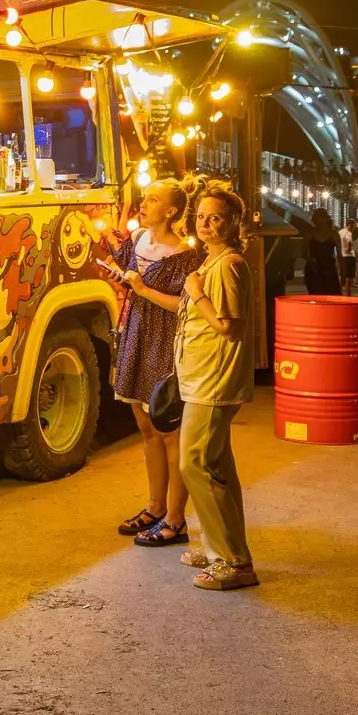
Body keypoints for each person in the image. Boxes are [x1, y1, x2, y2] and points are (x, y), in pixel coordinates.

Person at [107, 179, 204, 548]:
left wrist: (144, 290)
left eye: (153, 199)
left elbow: (186, 307)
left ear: (172, 211)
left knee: (169, 432)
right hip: (137, 333)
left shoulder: (186, 255)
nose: (143, 203)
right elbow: (130, 278)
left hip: (164, 342)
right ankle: (154, 507)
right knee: (146, 427)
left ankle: (176, 520)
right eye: (145, 197)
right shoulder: (137, 241)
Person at [174, 181, 259, 590]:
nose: (207, 223)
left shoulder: (227, 265)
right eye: (202, 216)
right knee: (219, 467)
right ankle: (219, 549)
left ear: (232, 223)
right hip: (201, 377)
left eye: (216, 218)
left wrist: (197, 295)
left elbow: (229, 326)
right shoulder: (212, 262)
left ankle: (232, 563)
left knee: (194, 463)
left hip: (213, 381)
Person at [302, 208, 342, 294]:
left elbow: (304, 253)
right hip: (327, 268)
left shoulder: (309, 234)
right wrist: (343, 272)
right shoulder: (333, 235)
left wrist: (309, 260)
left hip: (315, 269)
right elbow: (340, 256)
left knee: (316, 295)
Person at [338, 217, 358, 294]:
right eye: (354, 226)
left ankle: (339, 292)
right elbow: (349, 241)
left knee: (341, 275)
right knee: (349, 277)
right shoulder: (348, 233)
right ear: (350, 225)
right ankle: (348, 294)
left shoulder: (340, 232)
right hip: (349, 256)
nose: (355, 228)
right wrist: (349, 248)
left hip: (342, 256)